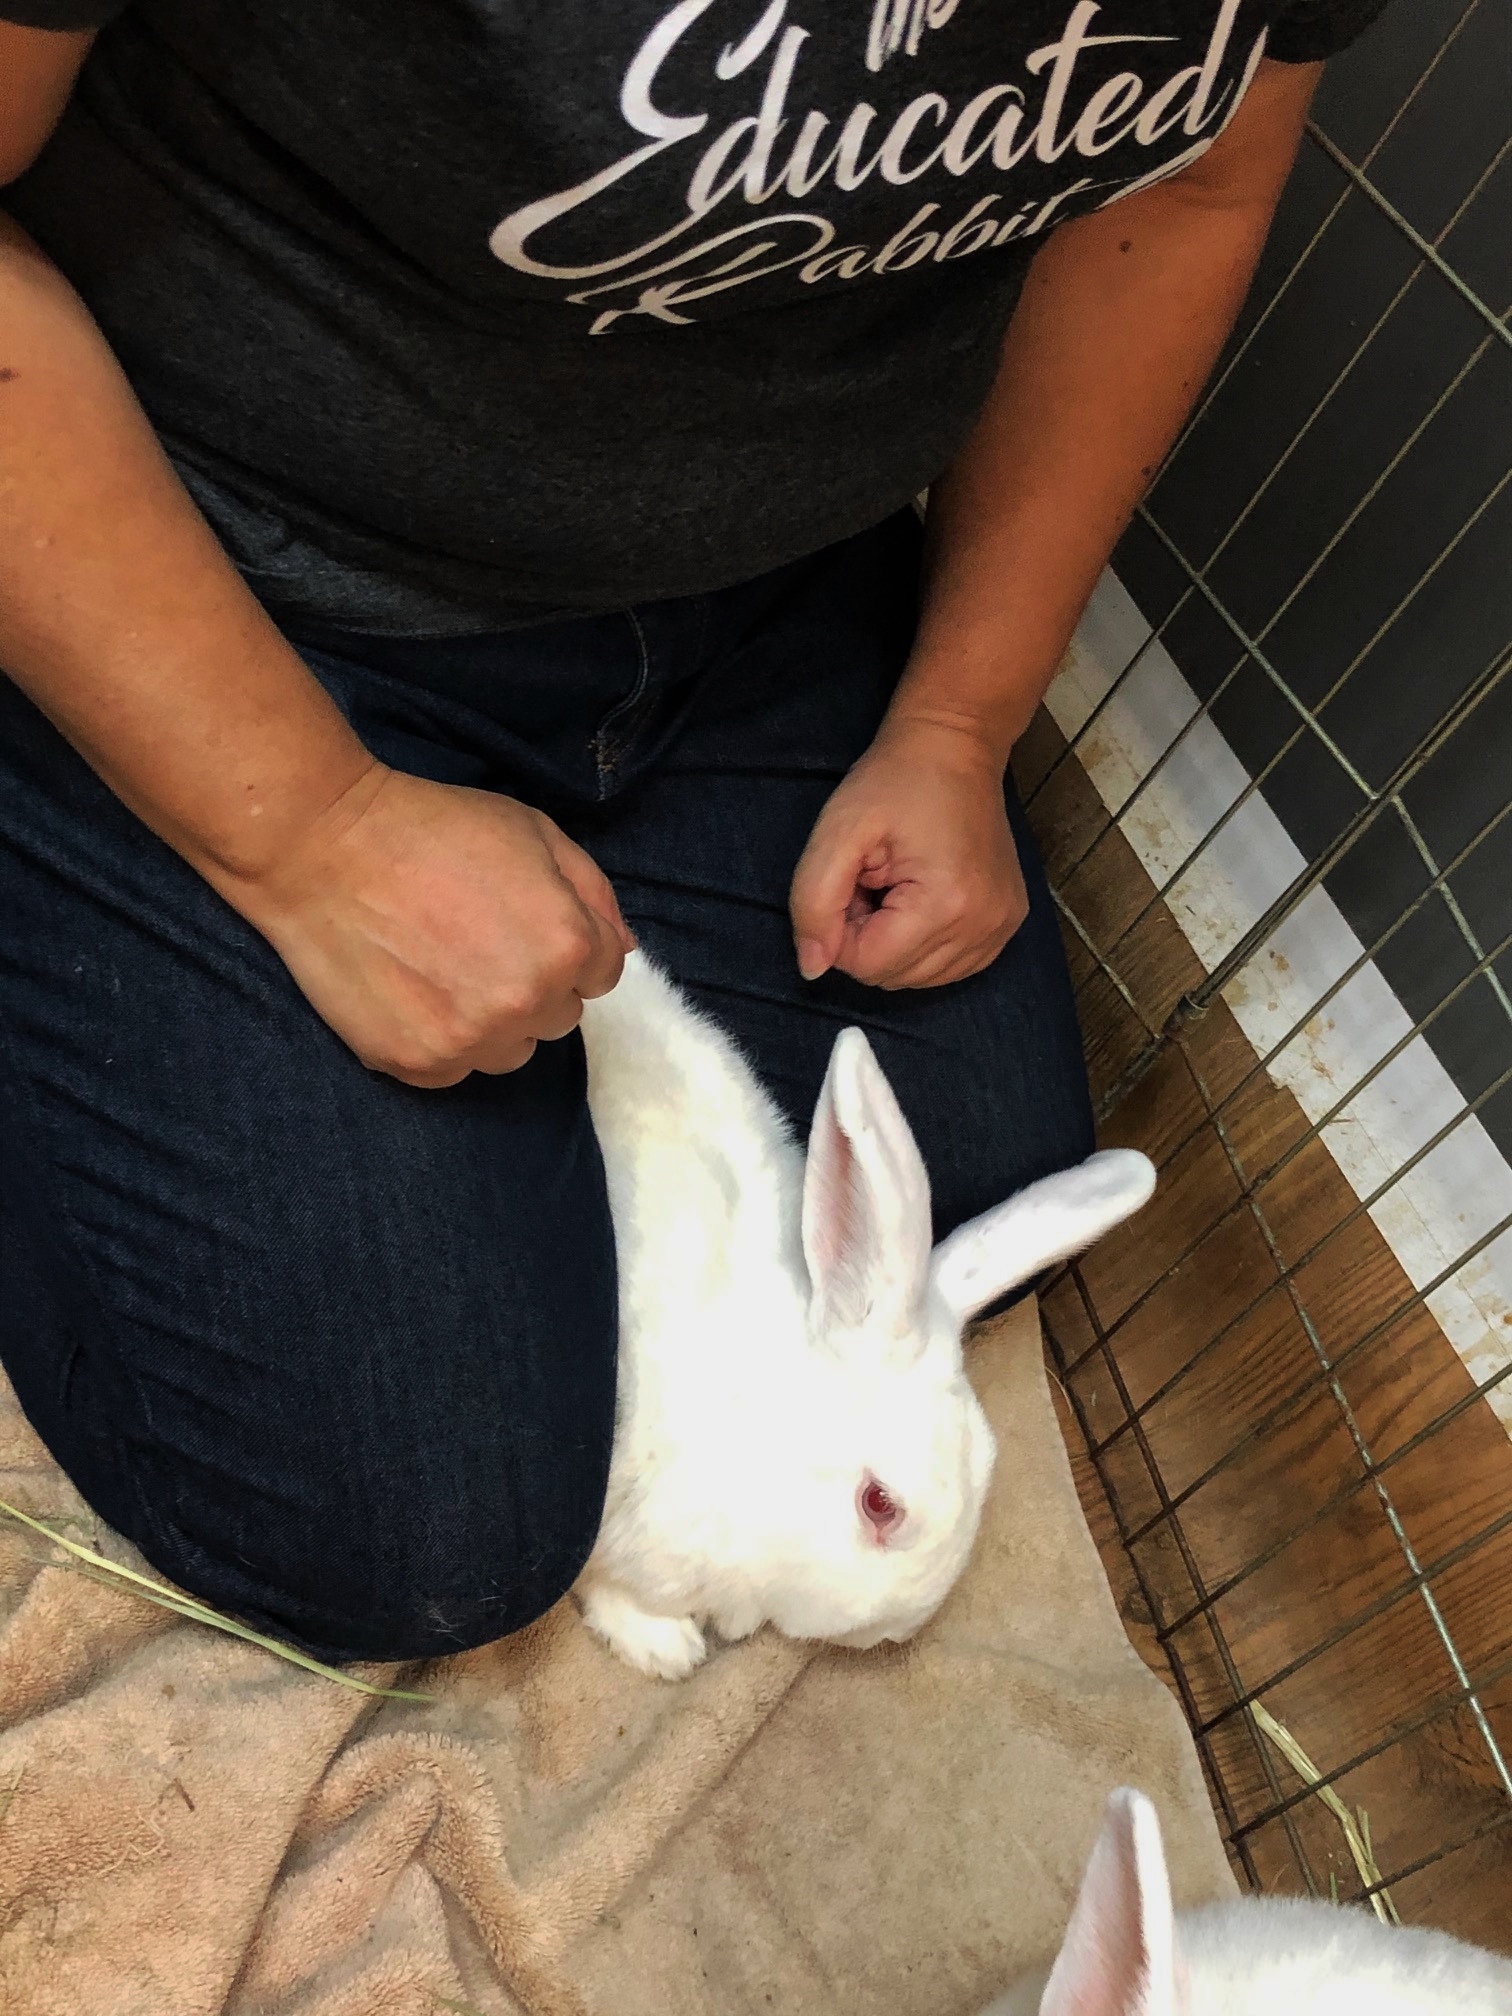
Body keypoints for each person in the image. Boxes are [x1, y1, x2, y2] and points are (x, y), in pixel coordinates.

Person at [0, 0, 1385, 1665]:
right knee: (421, 1524)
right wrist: (308, 827)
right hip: (245, 553)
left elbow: (1190, 183)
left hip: (765, 581)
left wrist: (959, 716)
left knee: (967, 1180)